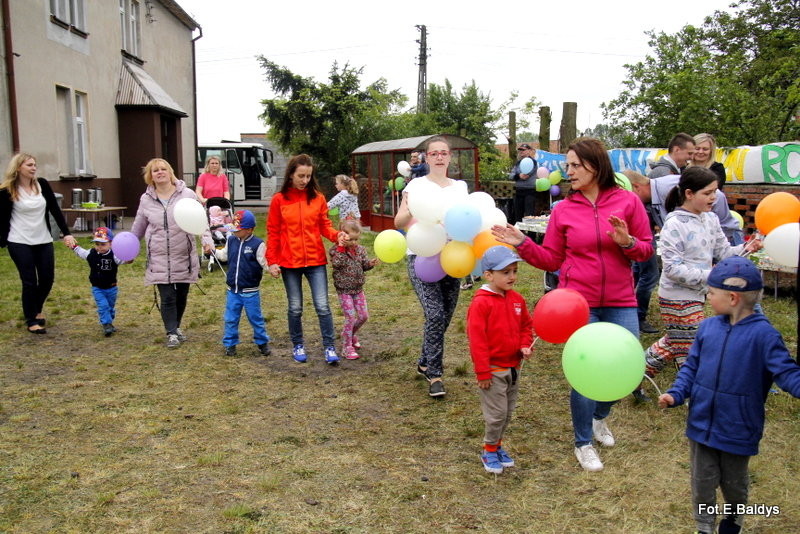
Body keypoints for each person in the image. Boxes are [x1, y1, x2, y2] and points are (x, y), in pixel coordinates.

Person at [493, 137, 653, 471]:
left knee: (628, 365)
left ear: (596, 165)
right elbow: (551, 257)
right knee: (588, 372)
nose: (569, 172)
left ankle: (599, 417)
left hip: (621, 298)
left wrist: (628, 242)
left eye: (575, 165)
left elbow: (647, 250)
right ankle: (582, 442)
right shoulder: (564, 208)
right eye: (567, 166)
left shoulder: (628, 202)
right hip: (579, 301)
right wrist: (522, 243)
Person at [658, 256, 800, 534]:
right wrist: (676, 394)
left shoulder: (765, 336)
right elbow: (692, 367)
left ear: (732, 297)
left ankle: (733, 521)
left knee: (734, 484)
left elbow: (787, 374)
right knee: (702, 482)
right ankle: (704, 527)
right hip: (700, 424)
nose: (708, 297)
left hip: (738, 428)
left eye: (711, 293)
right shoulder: (707, 328)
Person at [644, 167, 761, 381]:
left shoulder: (711, 219)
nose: (714, 198)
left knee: (676, 340)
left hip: (699, 294)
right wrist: (711, 275)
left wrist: (746, 248)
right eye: (707, 193)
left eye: (715, 192)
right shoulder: (674, 224)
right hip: (676, 298)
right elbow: (672, 269)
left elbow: (725, 253)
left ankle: (638, 373)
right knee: (692, 351)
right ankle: (695, 395)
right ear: (689, 194)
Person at [395, 135, 469, 397]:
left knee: (445, 316)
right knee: (435, 315)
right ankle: (435, 374)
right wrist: (415, 208)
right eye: (434, 153)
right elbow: (399, 221)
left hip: (452, 256)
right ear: (427, 158)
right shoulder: (416, 185)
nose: (439, 157)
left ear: (450, 157)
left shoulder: (460, 187)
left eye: (443, 153)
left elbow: (467, 219)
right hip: (422, 256)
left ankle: (425, 359)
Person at [267, 154, 346, 365]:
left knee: (323, 306)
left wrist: (337, 235)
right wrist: (272, 261)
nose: (305, 180)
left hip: (315, 261)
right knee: (295, 307)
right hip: (289, 262)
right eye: (301, 176)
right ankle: (298, 344)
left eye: (309, 176)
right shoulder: (279, 200)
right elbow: (273, 232)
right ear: (291, 174)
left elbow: (325, 226)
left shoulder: (318, 198)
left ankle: (329, 347)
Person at [130, 158, 212, 348]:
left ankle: (176, 326)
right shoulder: (146, 199)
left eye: (163, 169)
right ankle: (171, 332)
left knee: (181, 295)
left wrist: (207, 242)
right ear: (150, 176)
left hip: (183, 254)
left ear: (170, 172)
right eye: (155, 170)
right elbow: (138, 227)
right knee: (167, 297)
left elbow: (201, 222)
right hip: (158, 256)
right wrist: (130, 250)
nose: (159, 172)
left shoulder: (187, 195)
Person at [466, 246, 533, 474]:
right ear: (488, 275)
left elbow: (526, 325)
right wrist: (483, 373)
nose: (512, 276)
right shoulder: (481, 303)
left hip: (513, 368)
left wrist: (524, 344)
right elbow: (477, 340)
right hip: (493, 371)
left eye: (514, 271)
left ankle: (497, 446)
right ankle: (488, 450)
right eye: (505, 272)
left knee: (507, 412)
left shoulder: (517, 300)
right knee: (496, 416)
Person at [0, 153, 76, 333]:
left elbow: (55, 210)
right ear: (18, 168)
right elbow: (1, 217)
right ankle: (31, 320)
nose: (34, 168)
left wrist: (67, 233)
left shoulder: (42, 184)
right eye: (29, 165)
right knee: (29, 281)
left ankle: (36, 308)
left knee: (47, 278)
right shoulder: (7, 190)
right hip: (18, 240)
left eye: (34, 165)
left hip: (43, 239)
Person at [217, 210, 271, 358]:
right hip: (232, 291)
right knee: (230, 318)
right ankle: (230, 344)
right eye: (233, 229)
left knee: (256, 318)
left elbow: (264, 261)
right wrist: (214, 251)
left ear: (249, 229)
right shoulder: (231, 240)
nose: (234, 232)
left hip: (251, 291)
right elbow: (224, 256)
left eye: (237, 230)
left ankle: (262, 342)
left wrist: (272, 268)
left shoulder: (258, 244)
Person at [329, 219, 378, 360]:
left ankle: (350, 334)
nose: (355, 242)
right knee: (350, 317)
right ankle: (346, 347)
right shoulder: (335, 251)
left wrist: (370, 263)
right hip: (344, 291)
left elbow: (364, 266)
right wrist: (340, 247)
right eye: (352, 239)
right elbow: (337, 264)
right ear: (343, 235)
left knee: (363, 316)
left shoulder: (360, 250)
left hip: (358, 289)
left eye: (357, 239)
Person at [69, 226, 127, 336]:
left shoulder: (114, 255)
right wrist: (73, 246)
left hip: (112, 287)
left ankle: (109, 321)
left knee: (110, 306)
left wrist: (129, 259)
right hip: (97, 288)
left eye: (103, 244)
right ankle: (106, 324)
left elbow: (123, 260)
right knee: (103, 306)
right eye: (97, 244)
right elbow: (81, 252)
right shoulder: (91, 254)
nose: (100, 247)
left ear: (111, 243)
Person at [509, 143, 548, 223]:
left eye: (523, 150)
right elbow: (510, 176)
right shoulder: (518, 163)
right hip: (518, 191)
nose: (521, 151)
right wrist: (519, 175)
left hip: (529, 192)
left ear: (529, 151)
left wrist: (517, 176)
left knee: (529, 216)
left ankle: (531, 235)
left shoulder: (533, 162)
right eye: (520, 150)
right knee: (518, 216)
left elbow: (526, 175)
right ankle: (518, 233)